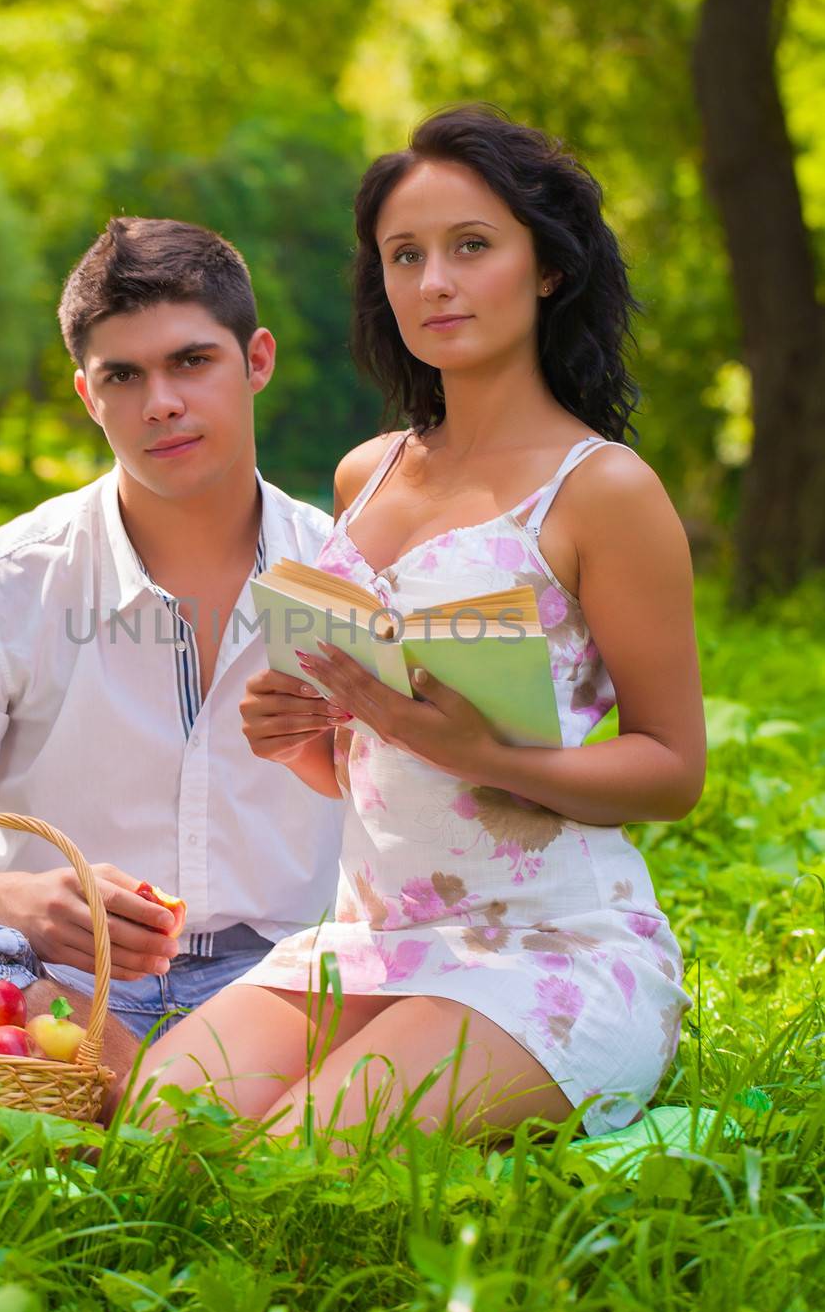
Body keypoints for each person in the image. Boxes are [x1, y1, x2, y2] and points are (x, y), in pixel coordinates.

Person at [134, 106, 707, 1145]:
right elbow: (370, 762)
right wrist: (307, 736)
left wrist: (481, 752)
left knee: (292, 1165)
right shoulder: (371, 469)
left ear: (547, 269)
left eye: (470, 247)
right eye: (405, 255)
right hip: (372, 938)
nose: (432, 281)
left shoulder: (602, 490)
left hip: (552, 947)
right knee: (154, 1125)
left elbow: (672, 768)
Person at [0, 218, 344, 1074]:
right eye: (124, 375)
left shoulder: (346, 577)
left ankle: (126, 1104)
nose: (162, 403)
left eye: (191, 361)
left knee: (426, 980)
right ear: (87, 395)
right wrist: (25, 903)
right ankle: (189, 1111)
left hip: (281, 984)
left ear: (256, 361)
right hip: (56, 982)